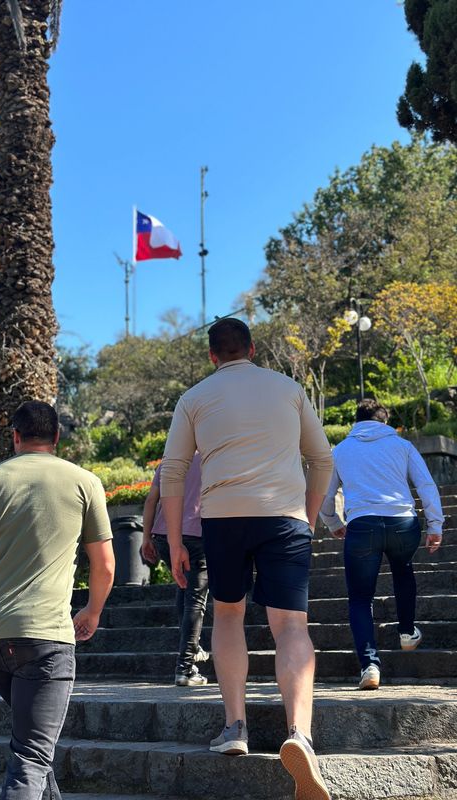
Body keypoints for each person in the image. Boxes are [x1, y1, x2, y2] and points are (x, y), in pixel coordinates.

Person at [159, 318, 334, 800]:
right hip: (284, 517)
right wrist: (310, 515)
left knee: (229, 613)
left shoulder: (194, 398)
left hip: (223, 519)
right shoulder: (289, 388)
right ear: (252, 349)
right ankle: (299, 733)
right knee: (291, 627)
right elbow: (322, 459)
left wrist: (175, 541)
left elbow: (173, 471)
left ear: (213, 356)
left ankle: (235, 727)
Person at [0, 400, 115, 800]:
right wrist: (92, 610)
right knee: (31, 760)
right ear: (56, 437)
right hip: (45, 640)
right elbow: (104, 565)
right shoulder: (83, 481)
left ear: (15, 438)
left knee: (35, 751)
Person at [319, 398, 443, 691]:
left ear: (356, 420)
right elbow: (425, 485)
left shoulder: (342, 450)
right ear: (384, 421)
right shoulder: (402, 446)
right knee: (403, 570)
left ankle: (370, 665)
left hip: (362, 526)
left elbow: (326, 498)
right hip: (403, 523)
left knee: (360, 598)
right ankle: (406, 632)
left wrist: (334, 524)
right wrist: (435, 525)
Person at [142, 452, 210, 686]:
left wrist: (146, 538)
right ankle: (185, 667)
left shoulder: (171, 459)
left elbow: (152, 500)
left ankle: (192, 648)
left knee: (183, 588)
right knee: (195, 598)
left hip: (163, 535)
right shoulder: (213, 457)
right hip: (196, 534)